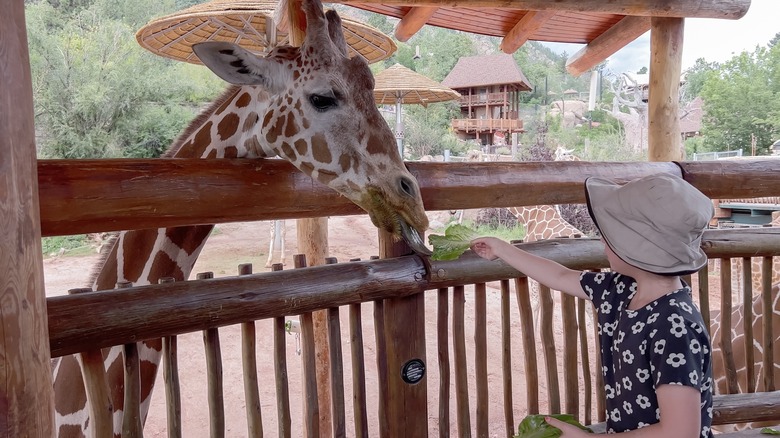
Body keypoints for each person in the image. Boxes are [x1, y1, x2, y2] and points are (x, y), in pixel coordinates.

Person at [470, 174, 714, 438]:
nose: (602, 240)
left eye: (610, 234)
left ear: (634, 247)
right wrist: (502, 248)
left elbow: (680, 432)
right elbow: (560, 276)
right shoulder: (621, 289)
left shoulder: (674, 326)